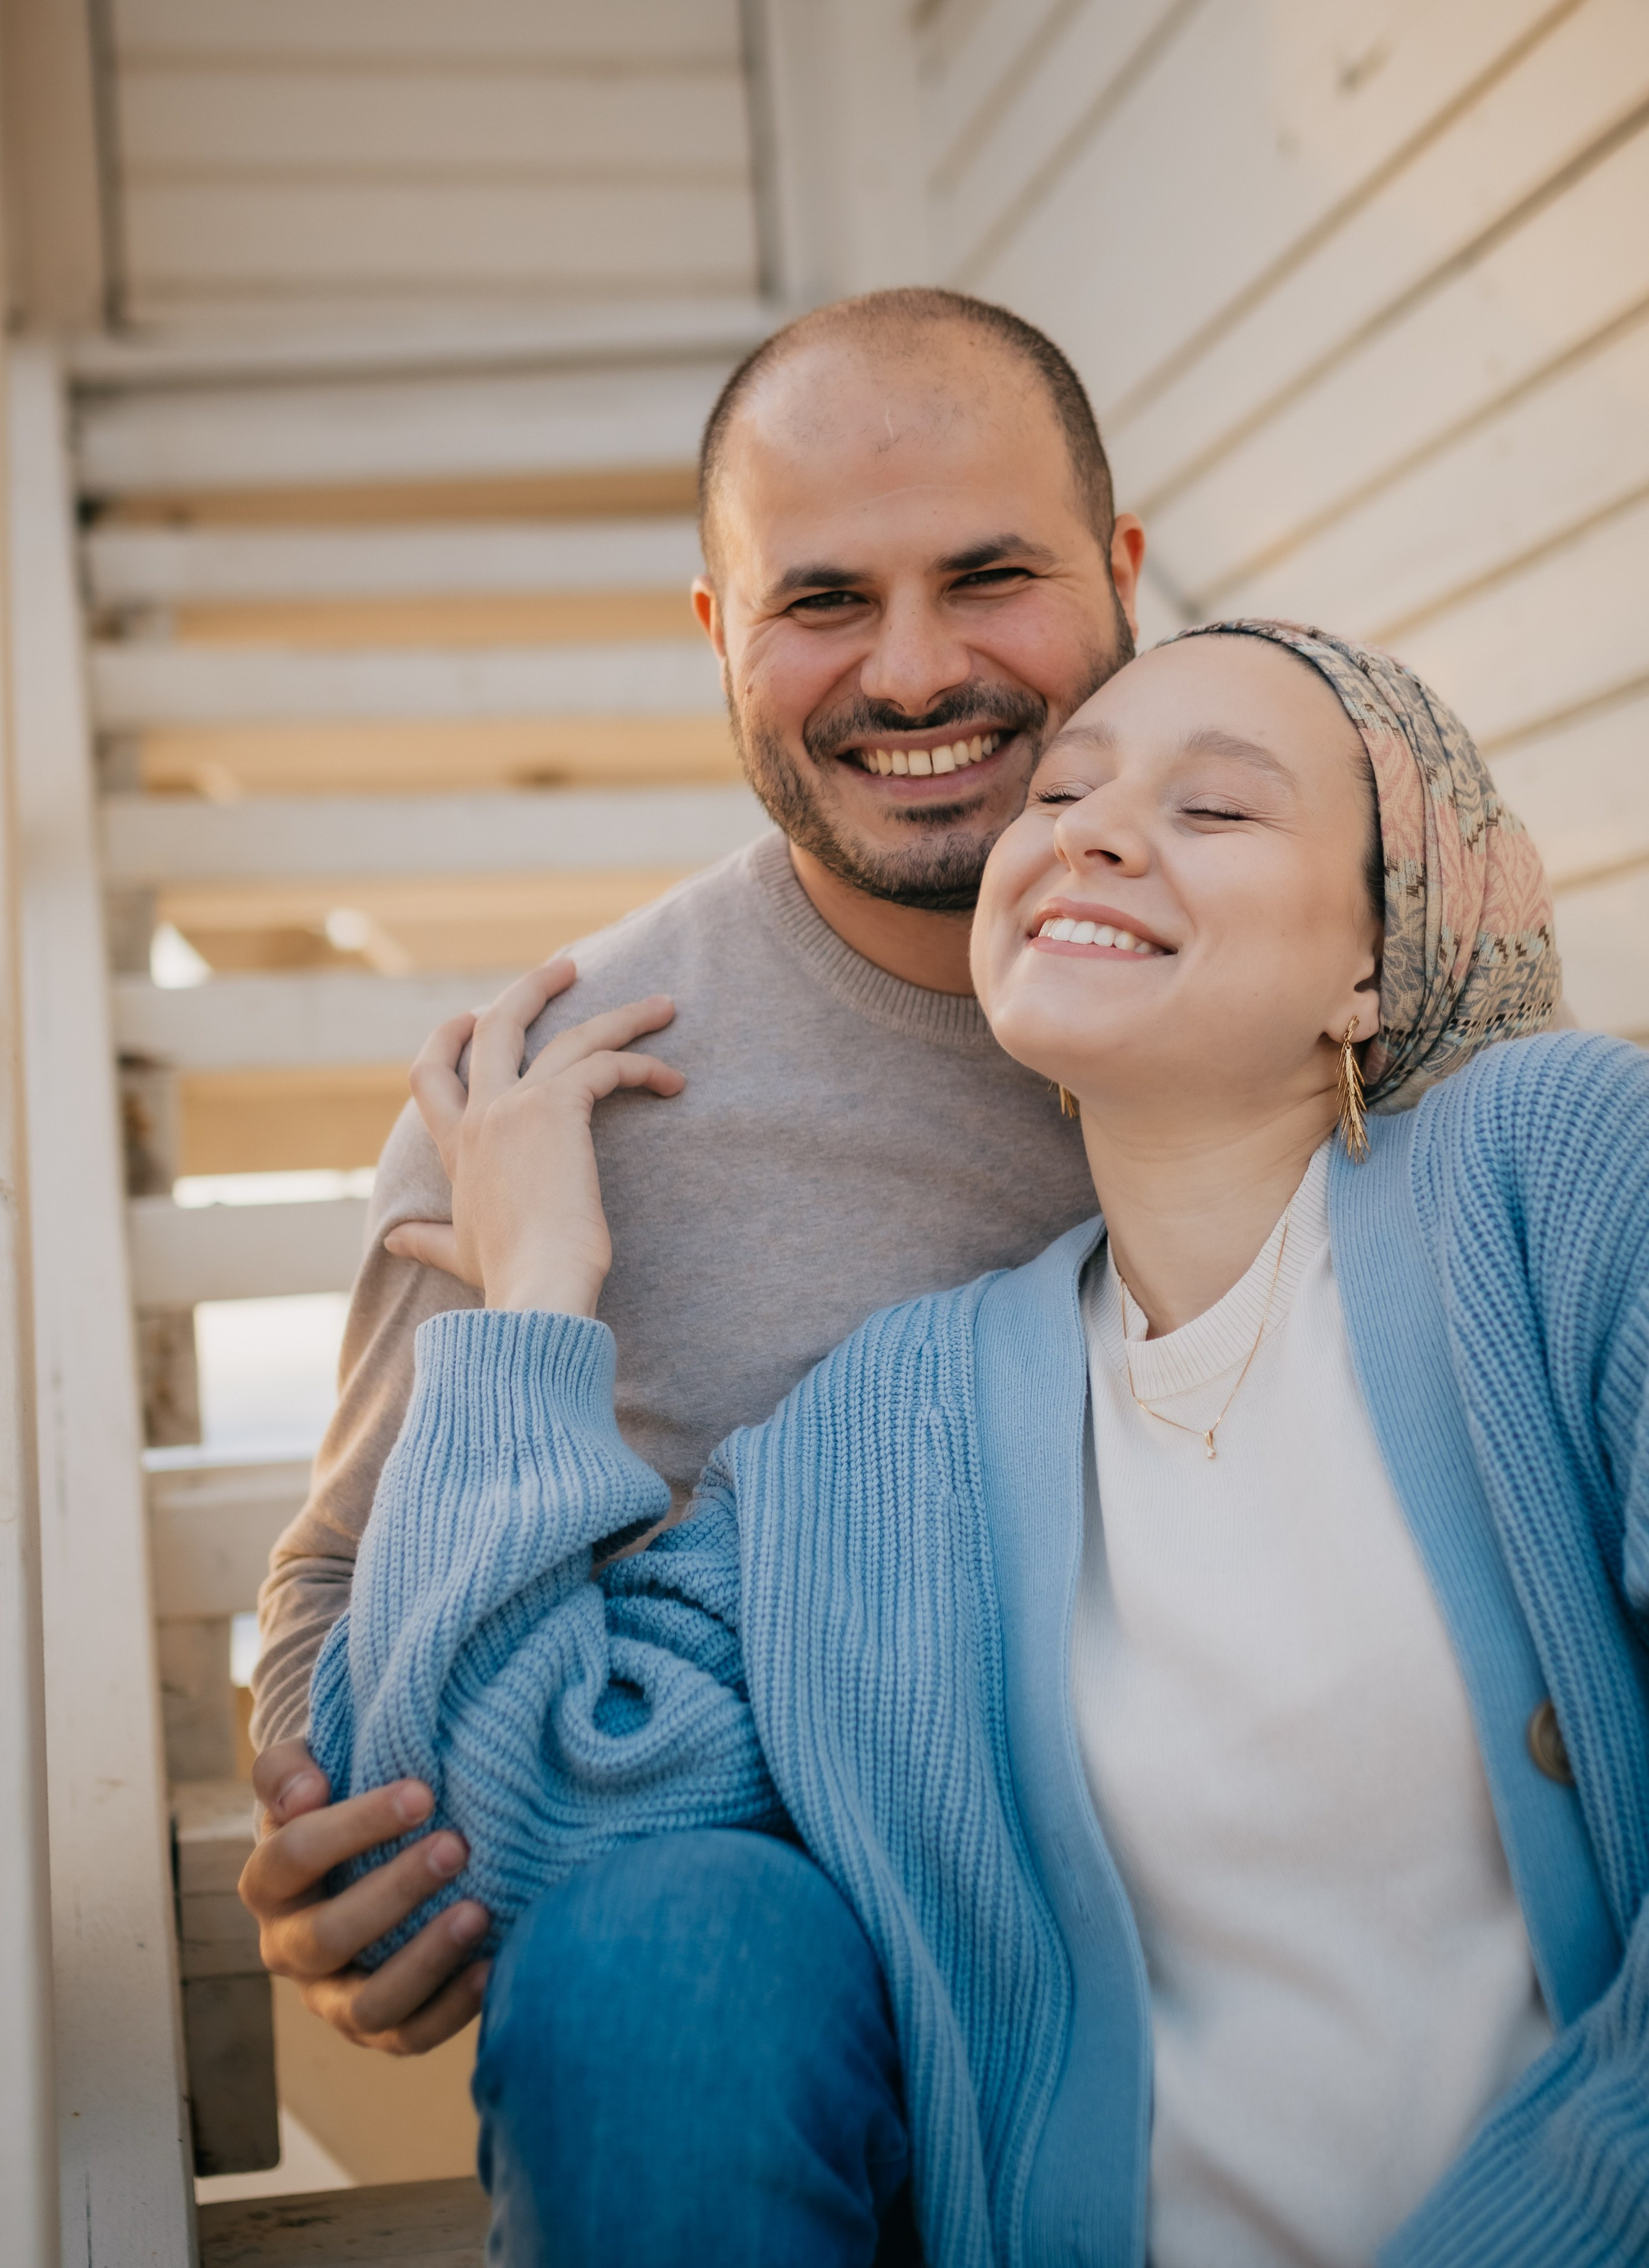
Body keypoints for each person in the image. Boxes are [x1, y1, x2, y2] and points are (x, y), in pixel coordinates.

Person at [314, 619, 1649, 2268]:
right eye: (1066, 791)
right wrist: (529, 1304)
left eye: (1214, 811)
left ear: (1381, 958)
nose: (1089, 827)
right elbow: (506, 1838)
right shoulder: (886, 1427)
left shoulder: (1568, 1178)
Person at [240, 287, 1147, 2053]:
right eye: (821, 600)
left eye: (988, 577)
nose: (911, 673)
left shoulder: (1316, 969)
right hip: (756, 1987)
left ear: (1119, 566)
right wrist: (329, 1853)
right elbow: (332, 1606)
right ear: (719, 629)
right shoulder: (547, 1106)